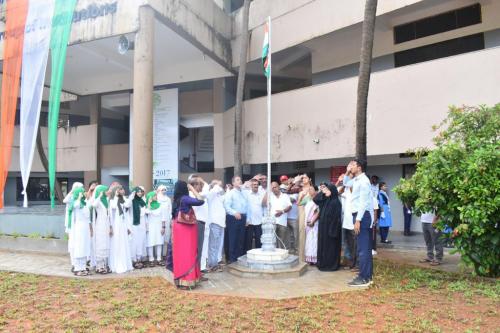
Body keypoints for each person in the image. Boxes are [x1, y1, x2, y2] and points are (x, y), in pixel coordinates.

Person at [345, 159, 374, 287]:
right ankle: (366, 275)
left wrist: (358, 220)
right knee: (364, 248)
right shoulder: (356, 180)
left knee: (363, 249)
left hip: (362, 216)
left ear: (359, 167)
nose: (350, 166)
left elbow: (364, 202)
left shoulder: (364, 181)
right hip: (359, 215)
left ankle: (364, 278)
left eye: (352, 165)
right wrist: (347, 172)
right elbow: (346, 183)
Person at [172, 181, 205, 289]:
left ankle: (180, 279)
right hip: (186, 228)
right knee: (188, 252)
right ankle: (188, 279)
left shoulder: (176, 199)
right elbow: (200, 200)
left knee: (180, 253)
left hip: (178, 227)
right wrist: (192, 189)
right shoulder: (185, 198)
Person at [313, 183, 342, 271]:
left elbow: (336, 218)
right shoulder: (325, 200)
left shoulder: (336, 202)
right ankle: (323, 263)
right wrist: (322, 191)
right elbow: (315, 199)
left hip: (331, 230)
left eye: (328, 190)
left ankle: (331, 265)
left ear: (332, 191)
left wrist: (332, 231)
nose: (326, 192)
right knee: (323, 247)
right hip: (323, 229)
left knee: (331, 248)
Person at [68, 187, 92, 276]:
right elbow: (75, 205)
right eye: (82, 192)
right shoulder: (75, 203)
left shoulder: (84, 203)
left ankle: (83, 267)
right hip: (79, 228)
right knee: (80, 247)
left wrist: (90, 229)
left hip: (85, 228)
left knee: (85, 247)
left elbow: (88, 217)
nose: (84, 193)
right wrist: (78, 197)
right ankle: (77, 268)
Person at [108, 185, 133, 274]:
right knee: (116, 242)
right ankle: (116, 263)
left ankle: (124, 262)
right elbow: (114, 207)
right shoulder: (112, 200)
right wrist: (115, 196)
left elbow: (128, 205)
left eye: (122, 189)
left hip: (123, 224)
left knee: (123, 242)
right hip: (116, 225)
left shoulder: (125, 199)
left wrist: (129, 197)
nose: (122, 190)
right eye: (120, 189)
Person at [224, 176, 248, 263]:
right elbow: (227, 206)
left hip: (243, 217)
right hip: (233, 217)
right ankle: (232, 259)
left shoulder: (243, 193)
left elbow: (246, 206)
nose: (240, 181)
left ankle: (239, 257)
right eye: (238, 180)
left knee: (241, 239)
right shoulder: (230, 193)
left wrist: (246, 218)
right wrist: (234, 213)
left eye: (240, 179)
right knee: (233, 239)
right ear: (233, 183)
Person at [188, 176, 210, 271]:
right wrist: (192, 189)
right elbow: (200, 199)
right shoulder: (191, 194)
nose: (202, 187)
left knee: (203, 247)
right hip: (196, 223)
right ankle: (196, 270)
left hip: (204, 223)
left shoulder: (200, 193)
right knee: (197, 249)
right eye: (200, 185)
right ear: (195, 185)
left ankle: (201, 268)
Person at [63, 182, 84, 272]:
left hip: (78, 226)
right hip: (71, 225)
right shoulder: (71, 198)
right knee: (72, 245)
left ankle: (79, 264)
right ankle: (74, 263)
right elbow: (65, 200)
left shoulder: (80, 199)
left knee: (78, 245)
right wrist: (72, 191)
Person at [206, 180, 226, 271]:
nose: (220, 186)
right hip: (214, 223)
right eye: (218, 185)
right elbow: (214, 190)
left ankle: (215, 263)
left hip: (221, 223)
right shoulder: (211, 194)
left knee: (218, 245)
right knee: (213, 245)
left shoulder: (219, 196)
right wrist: (215, 186)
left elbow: (225, 196)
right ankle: (212, 265)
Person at [266, 181, 292, 249]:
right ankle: (273, 255)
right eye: (272, 188)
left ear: (279, 187)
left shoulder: (285, 196)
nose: (274, 189)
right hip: (272, 222)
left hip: (282, 222)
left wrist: (282, 211)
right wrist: (267, 192)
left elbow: (290, 207)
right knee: (272, 240)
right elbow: (263, 203)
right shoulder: (270, 196)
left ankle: (280, 254)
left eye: (275, 187)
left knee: (281, 240)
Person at [92, 185, 111, 274]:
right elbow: (94, 205)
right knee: (100, 243)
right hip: (100, 224)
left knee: (106, 243)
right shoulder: (99, 201)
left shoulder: (106, 201)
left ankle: (104, 265)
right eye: (106, 191)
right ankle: (99, 266)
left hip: (106, 224)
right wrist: (99, 196)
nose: (107, 192)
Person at [145, 191, 167, 267]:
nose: (155, 197)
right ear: (150, 197)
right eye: (154, 196)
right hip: (151, 226)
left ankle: (159, 259)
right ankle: (151, 259)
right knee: (150, 242)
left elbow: (163, 217)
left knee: (159, 242)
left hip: (159, 226)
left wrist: (163, 227)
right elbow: (147, 211)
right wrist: (148, 203)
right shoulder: (148, 206)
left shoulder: (160, 205)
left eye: (156, 195)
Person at [339, 177, 357, 270]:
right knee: (346, 243)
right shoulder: (346, 191)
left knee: (354, 244)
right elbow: (338, 192)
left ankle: (354, 263)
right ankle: (348, 261)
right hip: (345, 222)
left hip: (353, 223)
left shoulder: (355, 193)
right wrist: (343, 183)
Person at [129, 187, 147, 269]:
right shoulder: (132, 201)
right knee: (134, 241)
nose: (140, 193)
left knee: (141, 240)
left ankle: (139, 258)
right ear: (135, 193)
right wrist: (131, 196)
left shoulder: (142, 201)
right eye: (138, 192)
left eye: (141, 192)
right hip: (135, 223)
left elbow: (145, 211)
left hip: (142, 223)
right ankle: (134, 259)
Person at [245, 178, 265, 250]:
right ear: (251, 186)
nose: (255, 186)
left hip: (259, 221)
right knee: (248, 240)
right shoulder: (247, 194)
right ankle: (248, 254)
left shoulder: (261, 194)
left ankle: (258, 254)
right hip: (249, 221)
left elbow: (263, 206)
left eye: (257, 184)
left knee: (259, 240)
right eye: (254, 184)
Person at [297, 174, 312, 261]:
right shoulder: (300, 191)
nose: (303, 179)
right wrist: (302, 195)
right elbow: (298, 204)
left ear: (309, 179)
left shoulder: (313, 189)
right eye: (302, 178)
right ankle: (303, 257)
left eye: (305, 177)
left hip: (312, 215)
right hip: (303, 214)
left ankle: (312, 257)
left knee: (312, 235)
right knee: (302, 234)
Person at [156, 185, 172, 260]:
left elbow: (170, 210)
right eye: (162, 189)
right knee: (158, 237)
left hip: (167, 219)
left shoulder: (168, 199)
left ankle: (165, 254)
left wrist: (170, 219)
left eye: (165, 189)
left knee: (166, 237)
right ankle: (158, 255)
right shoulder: (156, 198)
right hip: (158, 220)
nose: (164, 191)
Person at [304, 185, 319, 264]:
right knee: (309, 241)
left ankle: (315, 259)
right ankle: (309, 259)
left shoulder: (318, 200)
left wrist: (312, 221)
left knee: (314, 241)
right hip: (307, 223)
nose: (310, 191)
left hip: (314, 223)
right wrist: (304, 194)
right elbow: (298, 203)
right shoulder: (308, 200)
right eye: (309, 189)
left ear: (316, 191)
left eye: (311, 189)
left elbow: (317, 212)